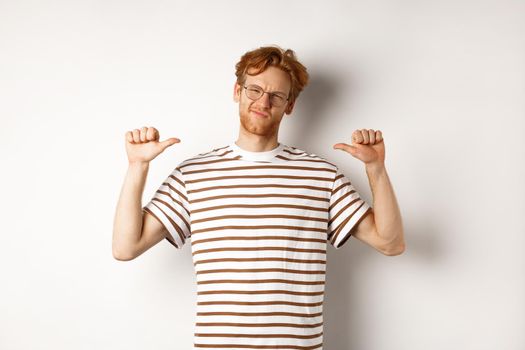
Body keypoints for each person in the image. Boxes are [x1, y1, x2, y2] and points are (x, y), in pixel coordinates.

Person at [112, 45, 405, 349]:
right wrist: (137, 166)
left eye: (276, 95)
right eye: (254, 90)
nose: (263, 102)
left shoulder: (321, 175)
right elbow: (125, 247)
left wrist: (376, 169)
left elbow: (391, 242)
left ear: (289, 105)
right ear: (237, 91)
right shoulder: (193, 174)